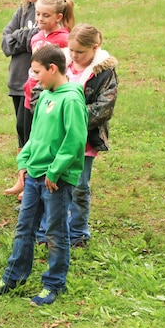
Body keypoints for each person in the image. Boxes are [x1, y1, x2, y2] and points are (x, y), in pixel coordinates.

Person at [0, 44, 87, 305]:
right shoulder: (44, 96)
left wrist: (54, 172)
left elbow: (74, 141)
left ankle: (53, 284)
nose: (34, 77)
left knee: (55, 232)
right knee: (24, 227)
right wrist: (24, 162)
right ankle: (14, 276)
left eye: (37, 71)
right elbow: (35, 137)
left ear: (53, 68)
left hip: (55, 180)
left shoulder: (72, 98)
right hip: (34, 175)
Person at [39, 24, 118, 248]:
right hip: (54, 140)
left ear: (95, 47)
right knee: (51, 184)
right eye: (71, 50)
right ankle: (47, 231)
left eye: (80, 52)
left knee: (79, 187)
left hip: (83, 141)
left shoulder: (104, 72)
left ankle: (78, 232)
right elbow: (40, 91)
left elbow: (105, 107)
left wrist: (71, 120)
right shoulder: (60, 63)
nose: (74, 55)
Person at [5, 0, 75, 196]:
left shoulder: (63, 39)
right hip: (29, 95)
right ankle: (23, 178)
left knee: (38, 137)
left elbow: (64, 71)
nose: (40, 19)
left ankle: (35, 182)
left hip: (47, 98)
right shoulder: (36, 37)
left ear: (58, 17)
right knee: (23, 131)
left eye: (46, 15)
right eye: (38, 15)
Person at [1, 0, 56, 152]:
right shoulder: (23, 10)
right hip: (17, 81)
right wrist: (27, 37)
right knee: (21, 130)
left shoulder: (54, 9)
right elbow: (6, 42)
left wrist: (23, 36)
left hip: (38, 84)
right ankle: (23, 173)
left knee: (36, 131)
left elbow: (45, 37)